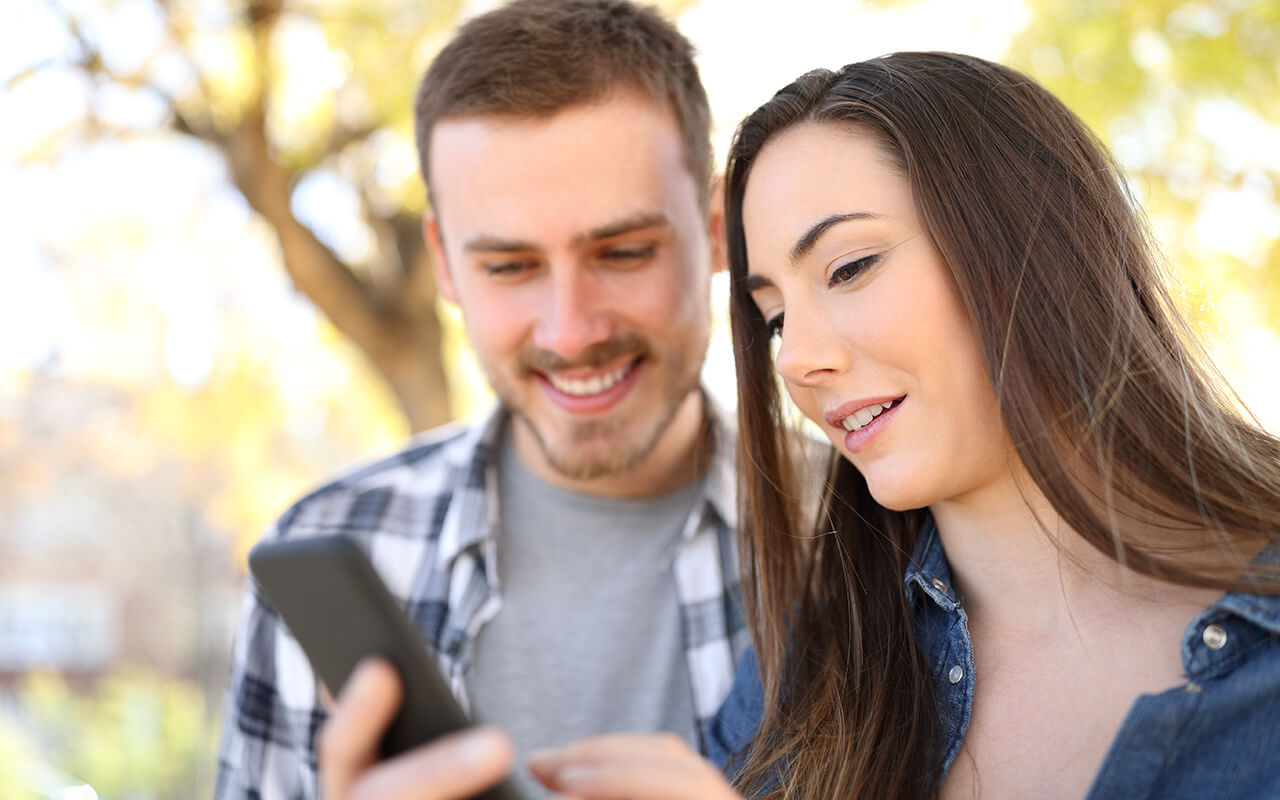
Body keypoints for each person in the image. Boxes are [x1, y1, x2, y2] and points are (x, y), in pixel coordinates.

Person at [524, 52, 1280, 799]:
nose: (796, 362)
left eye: (849, 268)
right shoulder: (812, 667)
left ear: (1033, 245)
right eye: (776, 319)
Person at [213, 2, 754, 798]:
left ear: (716, 227)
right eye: (509, 266)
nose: (571, 332)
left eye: (625, 251)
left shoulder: (873, 546)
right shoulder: (330, 549)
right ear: (443, 264)